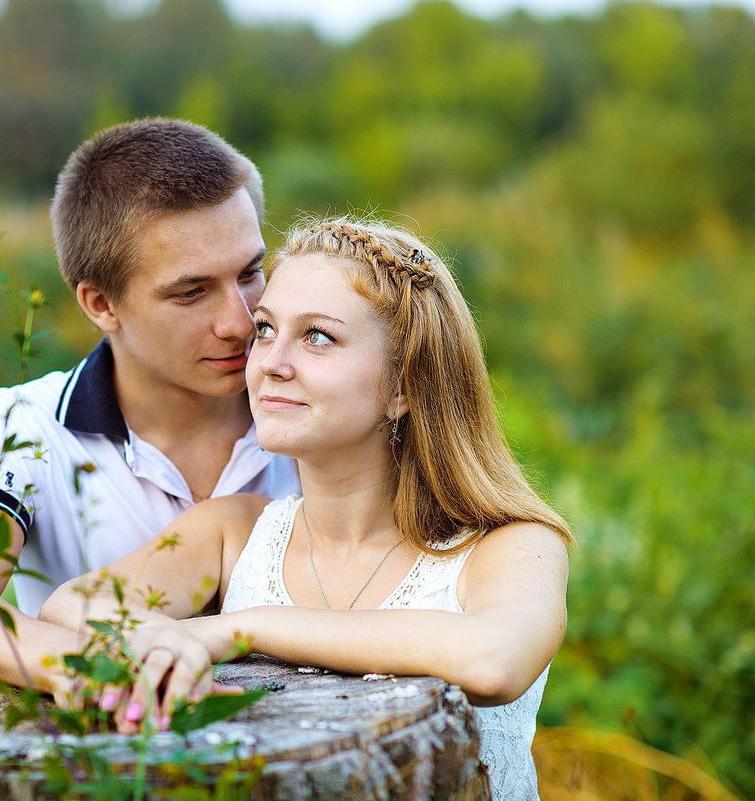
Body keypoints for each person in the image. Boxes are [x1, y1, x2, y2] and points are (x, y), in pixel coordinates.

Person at [40, 217, 573, 801]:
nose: (270, 361)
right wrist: (158, 640)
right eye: (265, 330)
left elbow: (493, 661)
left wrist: (236, 629)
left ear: (404, 385)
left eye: (318, 336)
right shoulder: (234, 532)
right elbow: (75, 602)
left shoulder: (510, 545)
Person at [0, 119, 299, 699]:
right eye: (191, 292)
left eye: (251, 272)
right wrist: (102, 667)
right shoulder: (18, 428)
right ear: (101, 303)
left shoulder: (325, 406)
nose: (240, 321)